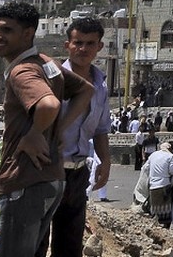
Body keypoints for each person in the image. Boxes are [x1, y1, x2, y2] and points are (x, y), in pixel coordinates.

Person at [0, 1, 92, 257]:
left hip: (25, 182)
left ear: (27, 34)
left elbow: (48, 105)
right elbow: (85, 90)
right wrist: (58, 130)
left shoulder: (22, 70)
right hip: (50, 179)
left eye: (7, 30)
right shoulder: (46, 63)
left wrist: (36, 133)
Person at [41, 15, 113, 257]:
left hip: (78, 173)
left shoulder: (101, 85)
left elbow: (101, 128)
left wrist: (106, 161)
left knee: (70, 245)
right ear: (67, 46)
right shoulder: (51, 80)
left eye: (90, 43)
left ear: (99, 47)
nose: (83, 49)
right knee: (37, 242)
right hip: (48, 170)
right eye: (78, 42)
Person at [145, 140, 173, 226]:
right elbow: (172, 171)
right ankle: (166, 228)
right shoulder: (170, 156)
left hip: (153, 185)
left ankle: (155, 225)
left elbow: (146, 168)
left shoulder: (153, 155)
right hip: (164, 184)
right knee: (165, 209)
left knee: (155, 207)